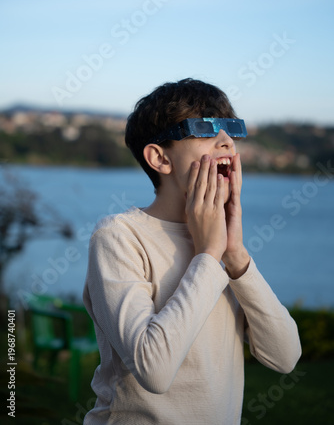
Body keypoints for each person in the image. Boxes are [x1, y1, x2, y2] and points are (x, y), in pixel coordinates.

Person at [83, 78, 301, 425]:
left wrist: (236, 256)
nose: (227, 143)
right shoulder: (119, 236)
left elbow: (285, 356)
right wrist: (209, 254)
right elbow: (154, 371)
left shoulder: (226, 246)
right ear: (160, 158)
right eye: (205, 129)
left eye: (232, 130)